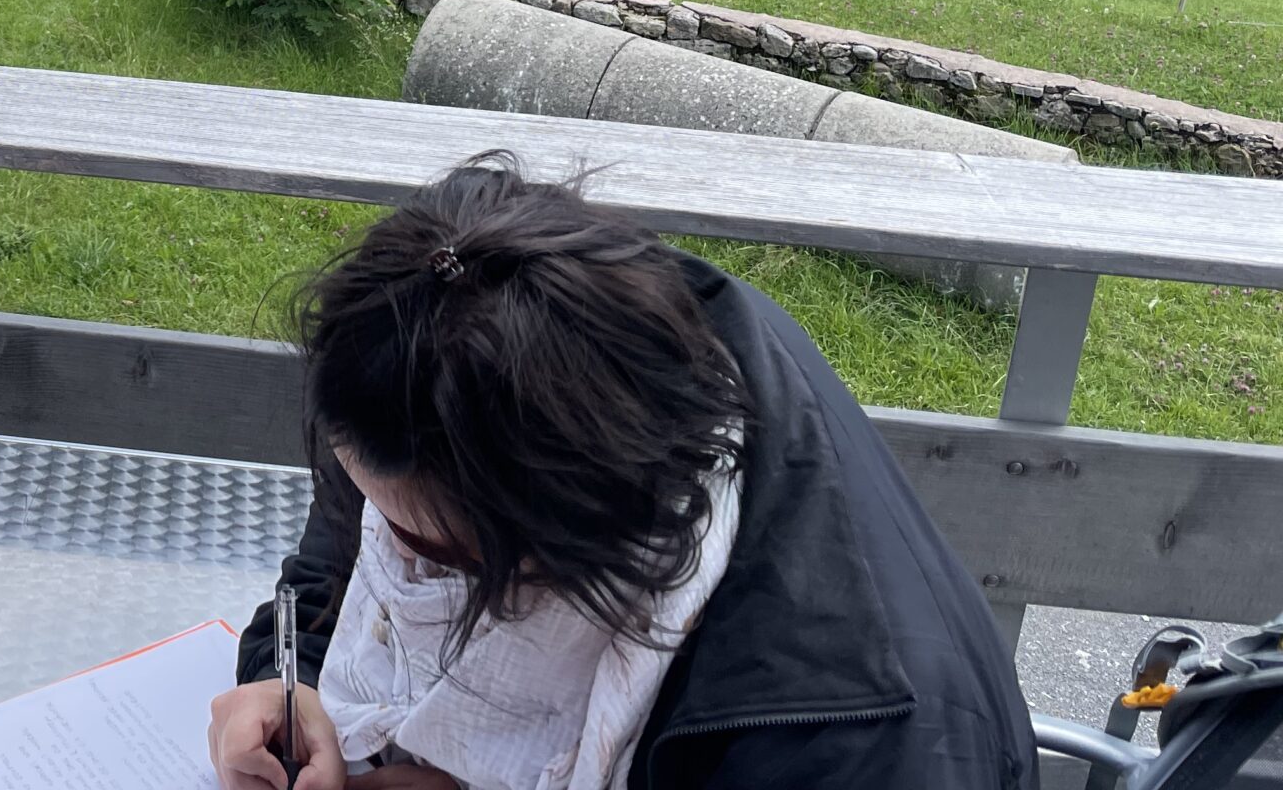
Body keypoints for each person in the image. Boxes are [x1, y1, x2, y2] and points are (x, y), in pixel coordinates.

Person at [208, 160, 1036, 790]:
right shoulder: (475, 315)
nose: (395, 566)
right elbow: (346, 547)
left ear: (560, 538)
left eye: (430, 551)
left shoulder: (848, 749)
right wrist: (290, 677)